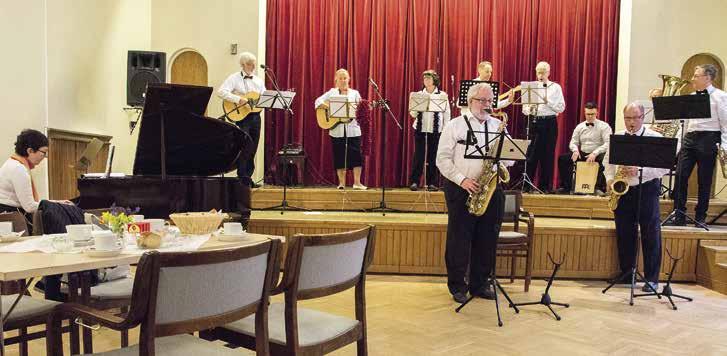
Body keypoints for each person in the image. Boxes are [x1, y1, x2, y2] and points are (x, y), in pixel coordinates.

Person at [436, 83, 513, 303]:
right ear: (470, 101)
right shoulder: (455, 125)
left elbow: (509, 159)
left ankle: (480, 283)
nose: (487, 105)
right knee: (459, 238)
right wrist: (463, 180)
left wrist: (508, 156)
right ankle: (458, 285)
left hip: (491, 189)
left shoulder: (499, 125)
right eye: (482, 100)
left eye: (490, 101)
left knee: (487, 238)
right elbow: (441, 159)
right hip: (461, 188)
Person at [604, 102, 669, 292]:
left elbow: (664, 167)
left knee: (650, 233)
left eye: (635, 118)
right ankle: (627, 273)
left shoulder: (654, 137)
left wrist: (639, 170)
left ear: (643, 117)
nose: (631, 122)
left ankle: (651, 278)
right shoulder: (616, 138)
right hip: (623, 190)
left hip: (646, 189)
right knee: (624, 233)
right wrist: (609, 179)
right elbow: (608, 163)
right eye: (628, 118)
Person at [670, 64, 727, 226]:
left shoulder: (721, 96)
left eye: (696, 75)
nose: (693, 78)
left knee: (704, 179)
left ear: (707, 78)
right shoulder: (692, 95)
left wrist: (724, 146)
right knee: (680, 175)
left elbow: (725, 124)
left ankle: (700, 216)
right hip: (690, 137)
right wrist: (679, 145)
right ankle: (679, 214)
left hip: (709, 138)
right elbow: (687, 123)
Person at [218, 52, 266, 188]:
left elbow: (264, 97)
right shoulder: (234, 78)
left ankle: (247, 178)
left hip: (256, 117)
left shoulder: (258, 81)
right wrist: (238, 99)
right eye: (250, 64)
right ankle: (241, 178)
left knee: (253, 147)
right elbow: (221, 92)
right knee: (244, 146)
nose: (253, 67)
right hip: (241, 117)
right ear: (243, 64)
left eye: (254, 64)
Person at [0, 129, 72, 220]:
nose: (45, 157)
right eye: (44, 152)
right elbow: (29, 206)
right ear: (30, 151)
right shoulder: (19, 169)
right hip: (10, 217)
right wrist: (57, 205)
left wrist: (56, 202)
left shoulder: (13, 163)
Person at [314, 68, 367, 190]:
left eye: (345, 78)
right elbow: (317, 101)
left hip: (353, 129)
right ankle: (341, 183)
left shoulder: (355, 93)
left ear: (349, 79)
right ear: (336, 80)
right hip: (337, 130)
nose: (343, 80)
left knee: (356, 156)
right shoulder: (332, 92)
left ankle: (357, 183)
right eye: (340, 78)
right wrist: (329, 107)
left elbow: (361, 109)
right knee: (339, 156)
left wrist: (363, 109)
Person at [523, 61, 566, 193]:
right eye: (538, 72)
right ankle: (527, 185)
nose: (540, 75)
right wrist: (529, 108)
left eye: (543, 72)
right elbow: (524, 109)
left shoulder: (555, 87)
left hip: (549, 122)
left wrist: (548, 101)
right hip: (534, 121)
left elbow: (561, 107)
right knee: (531, 154)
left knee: (547, 155)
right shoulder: (531, 86)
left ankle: (545, 187)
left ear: (548, 73)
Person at [408, 70, 451, 191]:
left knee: (434, 155)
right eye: (424, 78)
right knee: (419, 156)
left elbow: (447, 113)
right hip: (420, 128)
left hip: (436, 129)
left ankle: (432, 182)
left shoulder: (442, 95)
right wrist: (417, 107)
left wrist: (446, 129)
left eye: (428, 78)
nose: (426, 80)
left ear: (434, 80)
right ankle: (414, 181)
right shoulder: (418, 94)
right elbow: (412, 113)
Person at [556, 102, 611, 194]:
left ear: (596, 113)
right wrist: (575, 150)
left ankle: (597, 188)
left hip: (597, 153)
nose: (590, 116)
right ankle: (567, 186)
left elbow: (608, 143)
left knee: (604, 159)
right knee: (563, 159)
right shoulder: (580, 126)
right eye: (588, 114)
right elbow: (573, 142)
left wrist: (595, 153)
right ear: (585, 113)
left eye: (592, 114)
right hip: (582, 152)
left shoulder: (604, 126)